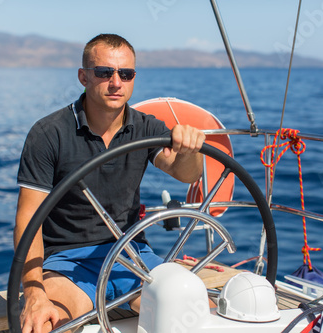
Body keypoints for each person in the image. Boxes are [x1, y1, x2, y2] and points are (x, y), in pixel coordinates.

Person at [14, 33, 205, 333]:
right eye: (104, 72)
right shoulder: (49, 134)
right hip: (68, 262)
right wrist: (34, 290)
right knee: (51, 324)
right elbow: (28, 219)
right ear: (83, 77)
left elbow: (187, 174)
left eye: (125, 74)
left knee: (189, 308)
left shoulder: (146, 128)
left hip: (132, 254)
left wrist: (190, 151)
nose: (116, 82)